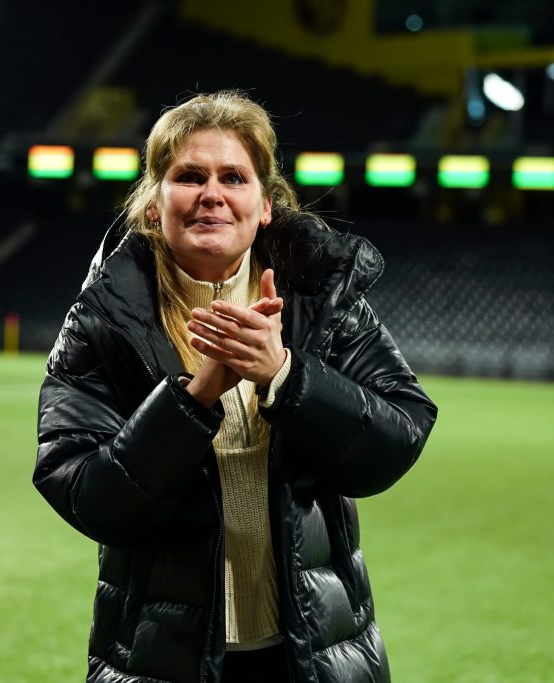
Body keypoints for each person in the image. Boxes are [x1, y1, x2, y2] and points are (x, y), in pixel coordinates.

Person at [34, 91, 437, 683]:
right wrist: (191, 400)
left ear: (265, 205)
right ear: (154, 205)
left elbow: (399, 437)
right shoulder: (102, 321)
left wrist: (286, 376)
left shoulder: (322, 299)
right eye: (189, 176)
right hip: (164, 661)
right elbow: (88, 497)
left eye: (234, 177)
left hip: (312, 655)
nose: (212, 194)